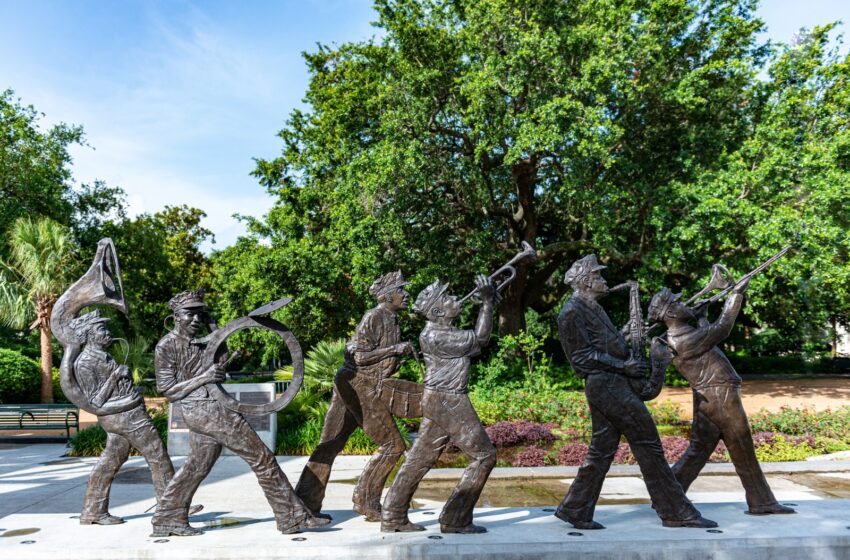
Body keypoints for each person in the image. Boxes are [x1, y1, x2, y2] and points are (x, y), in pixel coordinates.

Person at [555, 254, 716, 529]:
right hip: (607, 384)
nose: (603, 281)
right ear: (585, 281)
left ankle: (576, 508)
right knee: (649, 444)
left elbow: (601, 344)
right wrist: (624, 365)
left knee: (601, 451)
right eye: (598, 276)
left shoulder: (591, 307)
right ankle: (675, 511)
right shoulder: (571, 312)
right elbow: (581, 358)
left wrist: (625, 336)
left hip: (610, 383)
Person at [150, 290, 328, 537]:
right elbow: (167, 390)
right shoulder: (166, 346)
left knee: (196, 467)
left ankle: (167, 518)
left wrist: (214, 328)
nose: (195, 320)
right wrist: (204, 377)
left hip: (213, 407)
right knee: (261, 458)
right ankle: (292, 518)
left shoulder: (204, 341)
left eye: (199, 314)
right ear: (175, 317)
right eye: (188, 314)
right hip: (204, 410)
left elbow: (221, 357)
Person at [648, 282, 795, 515]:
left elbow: (708, 336)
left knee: (698, 451)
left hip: (710, 397)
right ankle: (762, 501)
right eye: (677, 302)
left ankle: (666, 496)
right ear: (672, 313)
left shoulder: (683, 335)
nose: (684, 303)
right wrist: (736, 295)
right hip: (720, 397)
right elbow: (723, 327)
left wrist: (703, 316)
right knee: (742, 447)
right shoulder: (681, 340)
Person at [381, 275, 498, 534]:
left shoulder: (443, 332)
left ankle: (392, 514)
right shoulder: (436, 336)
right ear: (436, 311)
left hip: (440, 399)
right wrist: (487, 303)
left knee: (419, 458)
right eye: (447, 298)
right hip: (449, 400)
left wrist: (488, 303)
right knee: (484, 456)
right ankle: (455, 518)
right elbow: (480, 339)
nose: (455, 298)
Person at [295, 271, 415, 521]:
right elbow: (357, 355)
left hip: (355, 383)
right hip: (358, 384)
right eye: (401, 290)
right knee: (393, 445)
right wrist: (394, 349)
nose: (405, 295)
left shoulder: (391, 319)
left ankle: (303, 506)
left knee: (330, 444)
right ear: (387, 295)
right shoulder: (374, 316)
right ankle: (367, 502)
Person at [71, 310, 187, 525]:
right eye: (101, 329)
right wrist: (115, 377)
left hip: (126, 413)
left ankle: (93, 510)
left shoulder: (104, 356)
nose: (107, 333)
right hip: (125, 416)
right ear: (88, 335)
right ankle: (171, 507)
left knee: (110, 461)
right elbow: (96, 402)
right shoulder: (85, 362)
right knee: (157, 454)